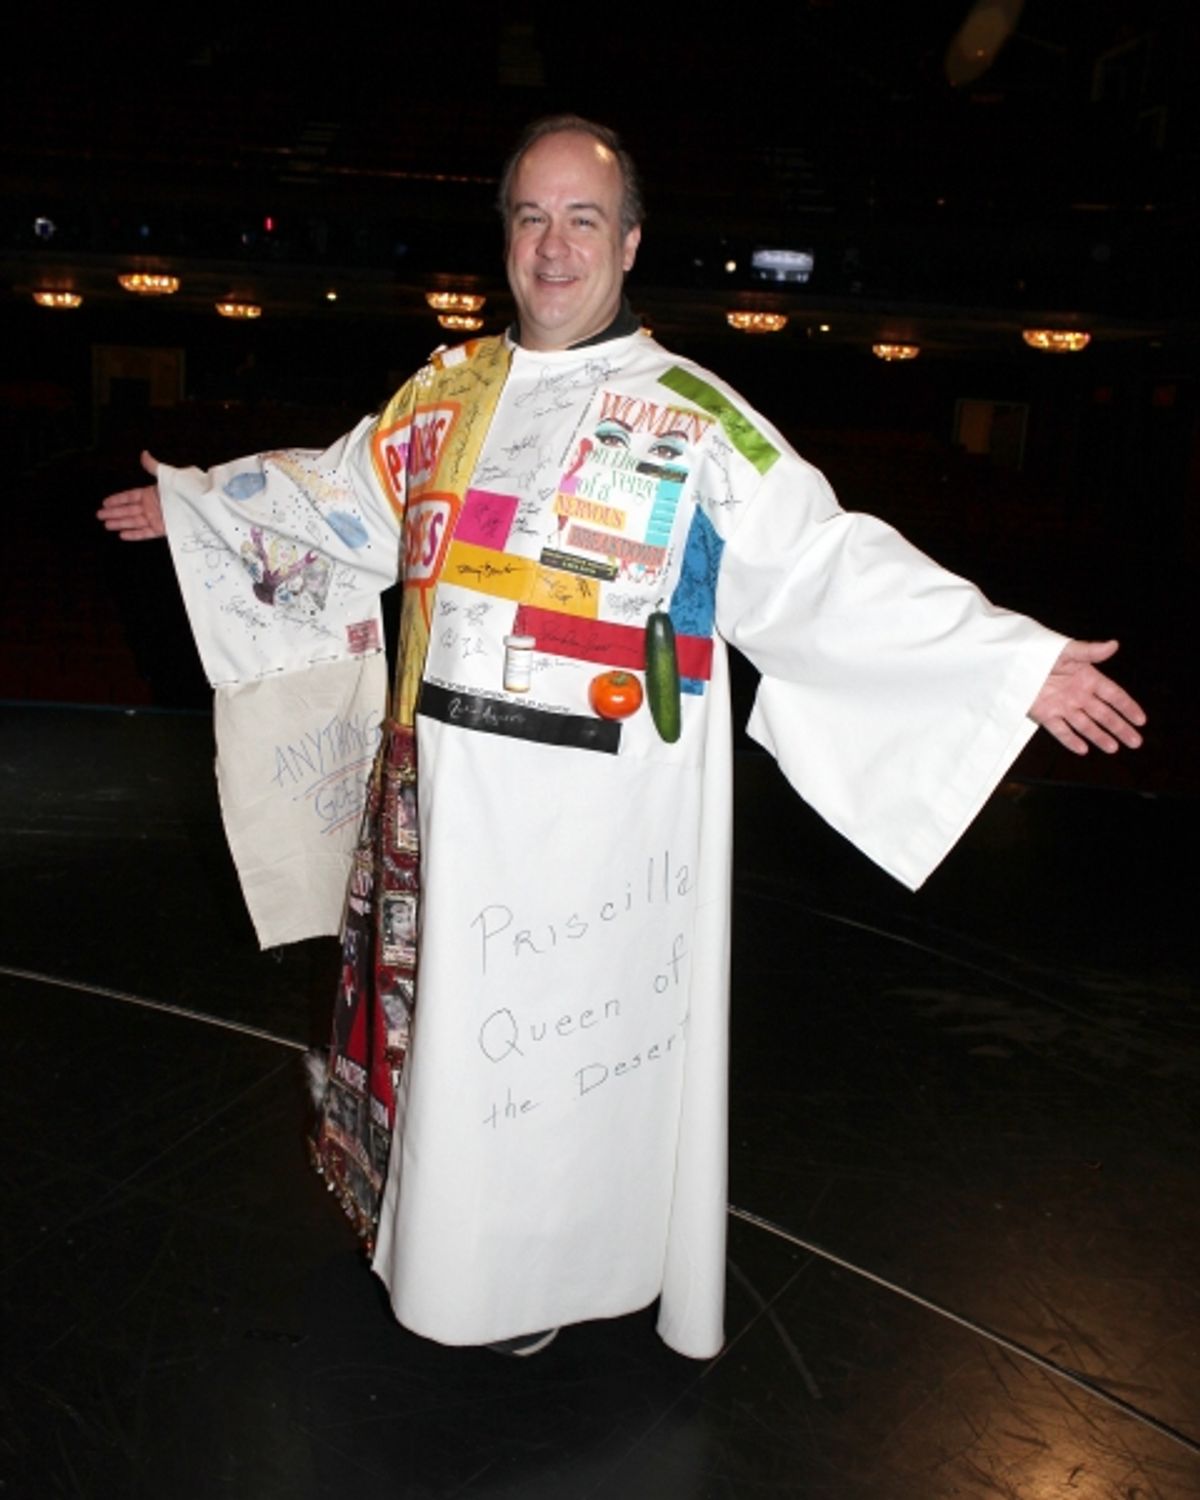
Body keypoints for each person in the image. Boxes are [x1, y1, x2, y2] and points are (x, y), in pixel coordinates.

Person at [98, 115, 1145, 1361]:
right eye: (531, 217)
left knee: (559, 1083)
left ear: (631, 241)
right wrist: (202, 505)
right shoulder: (442, 394)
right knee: (445, 1057)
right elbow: (340, 497)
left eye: (582, 218)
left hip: (599, 835)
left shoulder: (697, 419)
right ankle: (438, 1258)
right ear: (505, 238)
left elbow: (817, 561)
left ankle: (539, 1283)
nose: (553, 245)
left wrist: (1005, 660)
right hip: (441, 806)